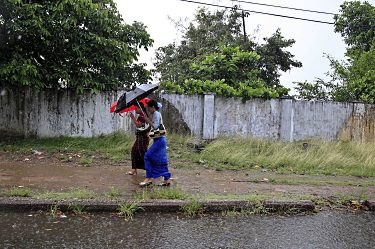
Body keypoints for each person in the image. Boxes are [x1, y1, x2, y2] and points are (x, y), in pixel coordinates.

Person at [139, 99, 171, 187]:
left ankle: (148, 178)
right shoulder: (157, 114)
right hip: (160, 140)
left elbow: (156, 126)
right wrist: (148, 120)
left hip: (159, 141)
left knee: (147, 156)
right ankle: (166, 179)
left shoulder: (156, 114)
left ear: (152, 107)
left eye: (149, 108)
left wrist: (147, 120)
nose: (148, 110)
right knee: (161, 159)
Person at [127, 103, 150, 176]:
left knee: (143, 153)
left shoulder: (143, 116)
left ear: (141, 108)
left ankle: (151, 169)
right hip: (139, 137)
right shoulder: (141, 116)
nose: (135, 110)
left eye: (136, 108)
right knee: (134, 151)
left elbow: (138, 125)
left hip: (143, 138)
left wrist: (133, 117)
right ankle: (134, 169)